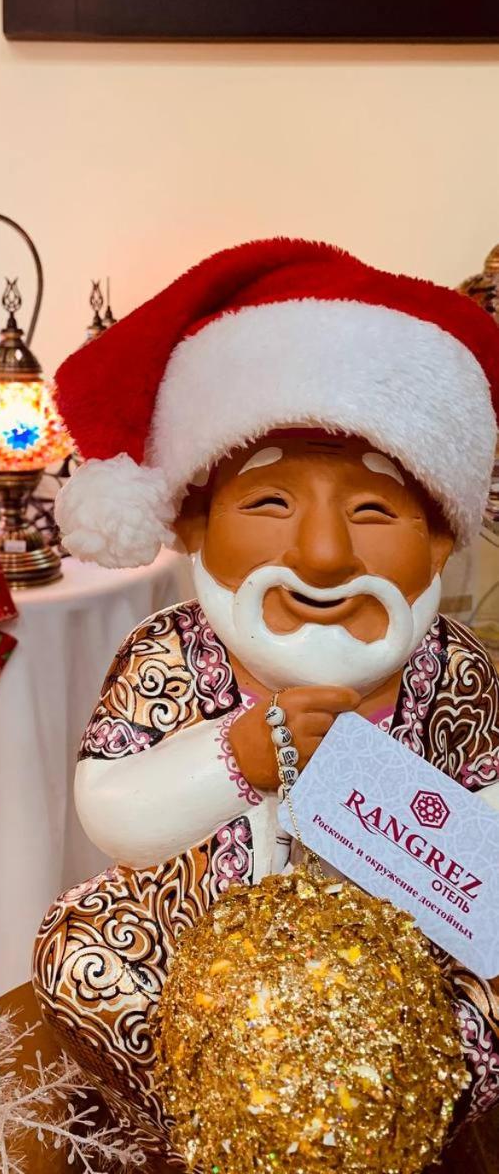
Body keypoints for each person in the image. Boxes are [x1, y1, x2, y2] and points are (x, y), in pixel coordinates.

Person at [32, 238, 499, 1150]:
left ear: (439, 541)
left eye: (373, 511)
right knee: (78, 955)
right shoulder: (170, 652)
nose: (323, 555)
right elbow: (112, 805)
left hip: (408, 985)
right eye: (271, 504)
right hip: (192, 965)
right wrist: (236, 758)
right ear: (196, 527)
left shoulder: (452, 667)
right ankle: (205, 1133)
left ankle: (390, 1136)